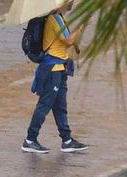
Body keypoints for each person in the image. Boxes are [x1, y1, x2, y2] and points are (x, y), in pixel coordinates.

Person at [22, 2, 89, 155]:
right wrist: (83, 25)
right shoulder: (54, 19)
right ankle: (30, 140)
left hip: (59, 69)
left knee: (60, 107)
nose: (72, 2)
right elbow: (69, 41)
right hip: (52, 71)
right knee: (44, 105)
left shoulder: (59, 17)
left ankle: (67, 140)